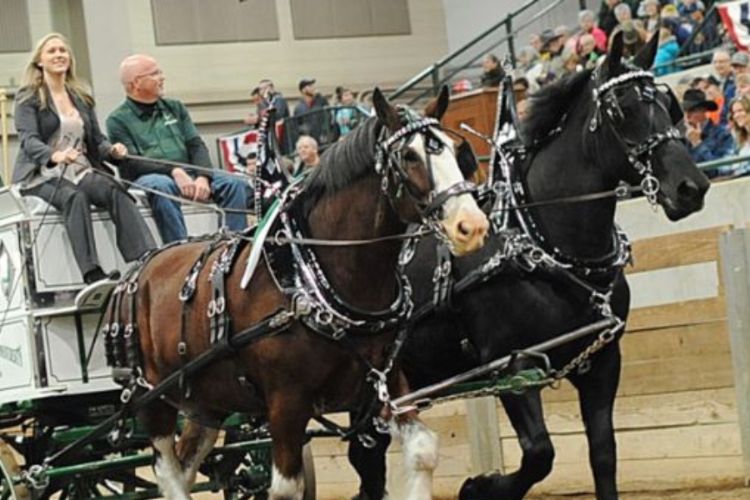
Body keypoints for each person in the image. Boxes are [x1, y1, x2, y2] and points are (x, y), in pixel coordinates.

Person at [13, 33, 156, 284]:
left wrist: (112, 151)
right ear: (39, 62)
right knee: (74, 197)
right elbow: (28, 139)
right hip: (43, 174)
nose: (59, 55)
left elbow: (96, 141)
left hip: (80, 170)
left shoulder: (81, 96)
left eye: (63, 50)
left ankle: (144, 257)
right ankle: (92, 274)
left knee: (114, 189)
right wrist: (54, 155)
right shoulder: (28, 97)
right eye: (52, 51)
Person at [106, 54, 249, 244]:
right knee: (161, 186)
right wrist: (174, 171)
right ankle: (179, 250)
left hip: (189, 172)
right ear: (137, 83)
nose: (162, 77)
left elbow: (196, 145)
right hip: (149, 178)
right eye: (155, 73)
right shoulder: (117, 119)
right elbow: (133, 163)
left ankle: (235, 246)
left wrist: (202, 176)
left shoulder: (175, 108)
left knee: (234, 184)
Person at [682, 88, 734, 169]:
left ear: (704, 110)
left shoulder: (722, 134)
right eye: (685, 111)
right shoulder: (681, 138)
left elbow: (721, 169)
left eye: (692, 111)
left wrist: (698, 144)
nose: (688, 116)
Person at [722, 96, 750, 177]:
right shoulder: (738, 138)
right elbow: (727, 165)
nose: (737, 115)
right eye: (734, 113)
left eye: (740, 110)